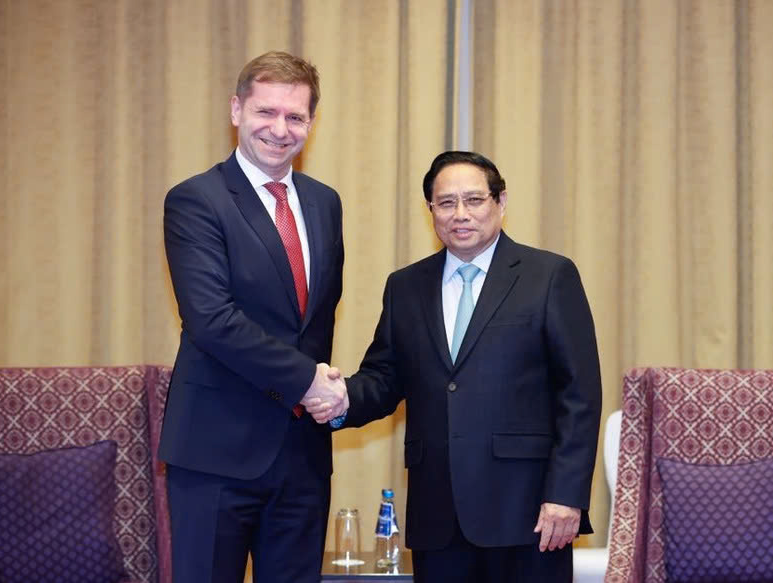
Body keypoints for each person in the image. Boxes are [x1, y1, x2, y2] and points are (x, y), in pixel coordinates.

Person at [316, 151, 602, 582]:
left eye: (474, 200)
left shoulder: (549, 276)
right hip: (438, 515)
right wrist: (334, 399)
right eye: (446, 203)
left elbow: (579, 395)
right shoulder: (406, 286)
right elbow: (384, 379)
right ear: (430, 209)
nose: (460, 214)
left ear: (501, 202)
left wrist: (566, 494)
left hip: (528, 515)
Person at [158, 51, 347, 583]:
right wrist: (308, 380)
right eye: (266, 112)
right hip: (215, 454)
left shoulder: (325, 203)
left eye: (295, 117)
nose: (279, 129)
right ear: (236, 110)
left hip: (302, 456)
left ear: (311, 122)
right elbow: (211, 319)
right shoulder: (196, 200)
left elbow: (315, 320)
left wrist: (324, 391)